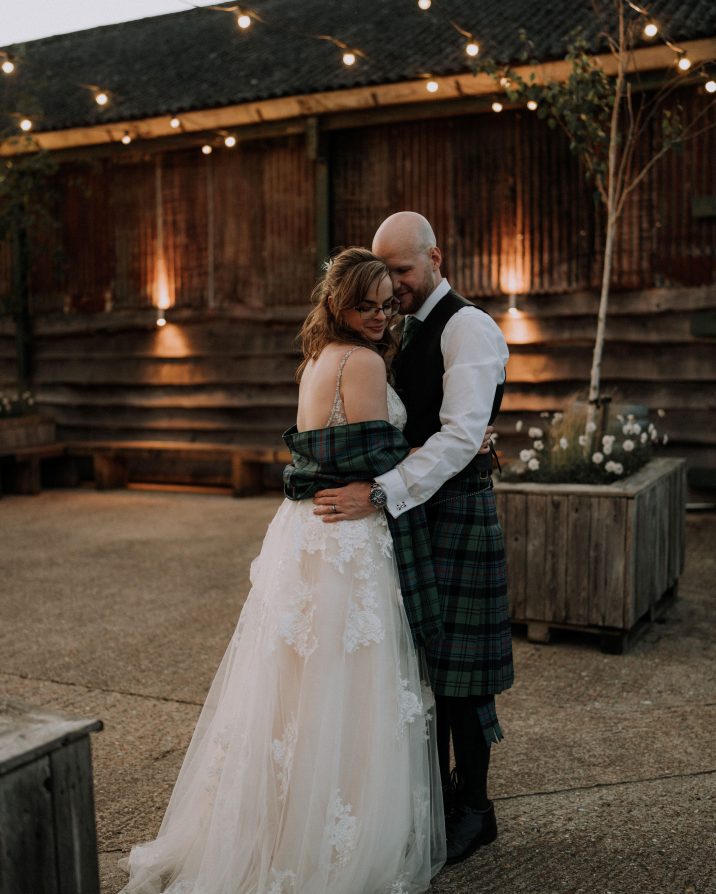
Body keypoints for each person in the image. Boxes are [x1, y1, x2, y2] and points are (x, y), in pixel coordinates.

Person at [118, 247, 447, 894]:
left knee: (298, 688)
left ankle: (279, 821)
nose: (380, 315)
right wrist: (439, 447)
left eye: (388, 303)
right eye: (366, 304)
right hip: (345, 538)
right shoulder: (362, 363)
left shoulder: (317, 360)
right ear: (338, 304)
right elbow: (374, 458)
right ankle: (324, 841)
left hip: (307, 534)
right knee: (348, 685)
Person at [313, 212, 514, 866]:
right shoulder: (392, 331)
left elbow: (459, 436)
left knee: (461, 675)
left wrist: (379, 492)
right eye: (385, 269)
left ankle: (475, 808)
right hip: (411, 517)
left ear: (435, 256)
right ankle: (434, 797)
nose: (393, 284)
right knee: (417, 672)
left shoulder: (469, 327)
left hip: (455, 512)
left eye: (401, 269)